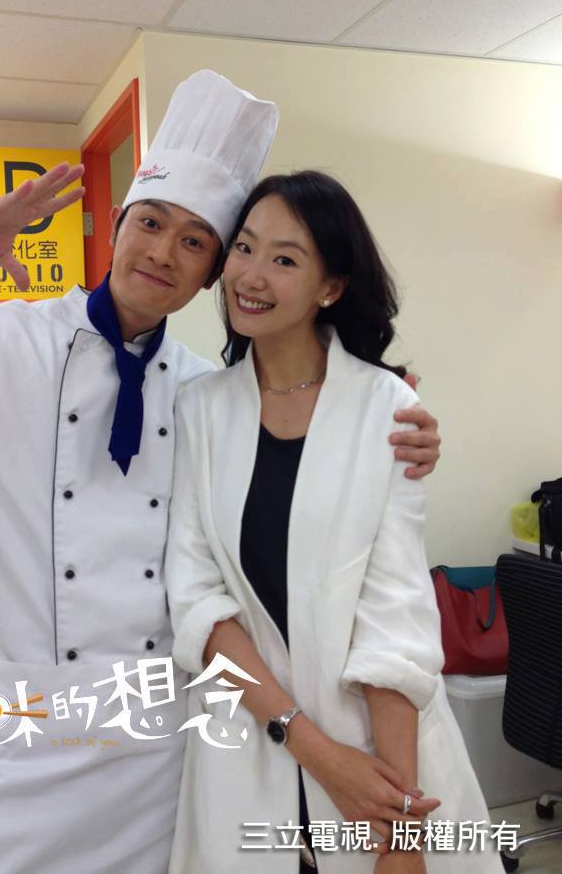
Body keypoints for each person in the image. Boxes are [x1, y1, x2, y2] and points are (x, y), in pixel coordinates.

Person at [0, 74, 440, 874]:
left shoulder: (204, 394)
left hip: (159, 743)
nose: (162, 252)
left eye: (194, 242)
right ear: (117, 226)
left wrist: (393, 424)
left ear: (211, 275)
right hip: (22, 734)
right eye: (150, 222)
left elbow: (295, 480)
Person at [165, 171, 501, 874]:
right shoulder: (199, 411)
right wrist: (315, 750)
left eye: (285, 259)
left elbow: (394, 619)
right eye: (244, 248)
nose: (251, 276)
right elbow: (197, 600)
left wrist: (400, 835)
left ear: (331, 287)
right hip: (249, 748)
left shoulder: (387, 409)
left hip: (385, 759)